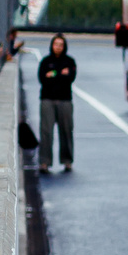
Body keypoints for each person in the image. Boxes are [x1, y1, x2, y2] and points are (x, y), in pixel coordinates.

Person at [35, 33, 76, 170]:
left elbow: (70, 78)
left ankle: (67, 160)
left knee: (66, 130)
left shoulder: (70, 61)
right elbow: (42, 79)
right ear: (52, 45)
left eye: (60, 45)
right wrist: (60, 74)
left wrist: (53, 74)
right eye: (56, 44)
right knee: (46, 132)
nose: (58, 47)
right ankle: (44, 162)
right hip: (47, 100)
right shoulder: (45, 61)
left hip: (65, 100)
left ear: (64, 47)